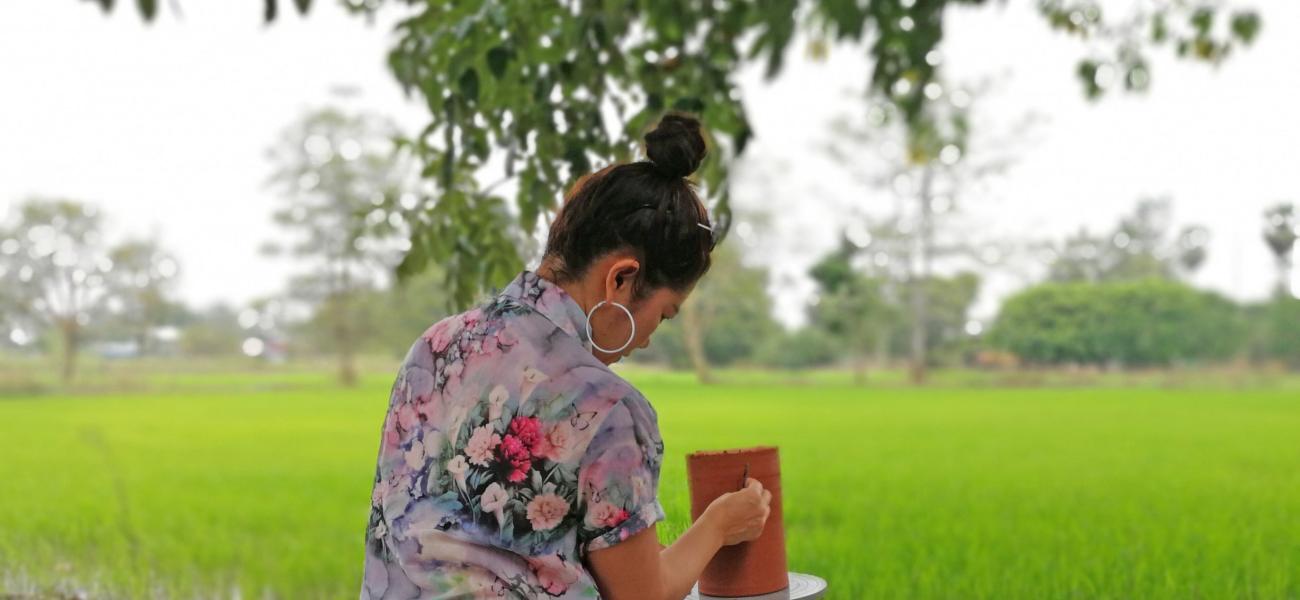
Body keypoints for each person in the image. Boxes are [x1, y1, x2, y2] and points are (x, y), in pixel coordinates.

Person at [360, 113, 772, 600]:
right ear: (621, 279)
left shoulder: (433, 346)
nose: (645, 340)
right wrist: (719, 526)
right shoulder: (607, 407)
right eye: (663, 315)